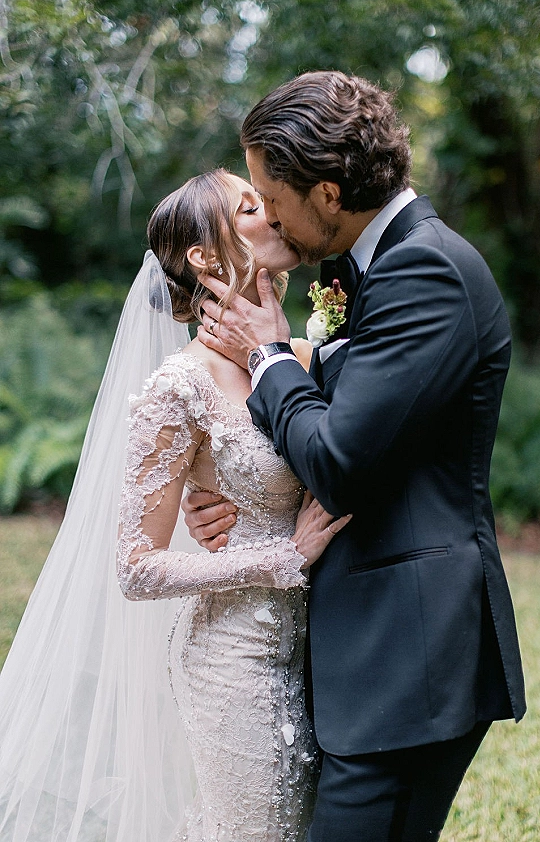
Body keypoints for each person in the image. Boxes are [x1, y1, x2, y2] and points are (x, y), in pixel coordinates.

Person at [182, 71, 527, 842]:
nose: (266, 216)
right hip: (364, 650)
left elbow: (340, 460)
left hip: (409, 653)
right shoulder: (363, 270)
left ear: (329, 194)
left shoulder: (424, 270)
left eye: (273, 199)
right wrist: (229, 490)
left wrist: (269, 354)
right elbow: (355, 434)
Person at [0, 168, 349, 842]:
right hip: (233, 660)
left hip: (321, 652)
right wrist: (283, 555)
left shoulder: (306, 355)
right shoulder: (179, 386)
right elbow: (136, 567)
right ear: (205, 257)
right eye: (252, 206)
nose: (273, 212)